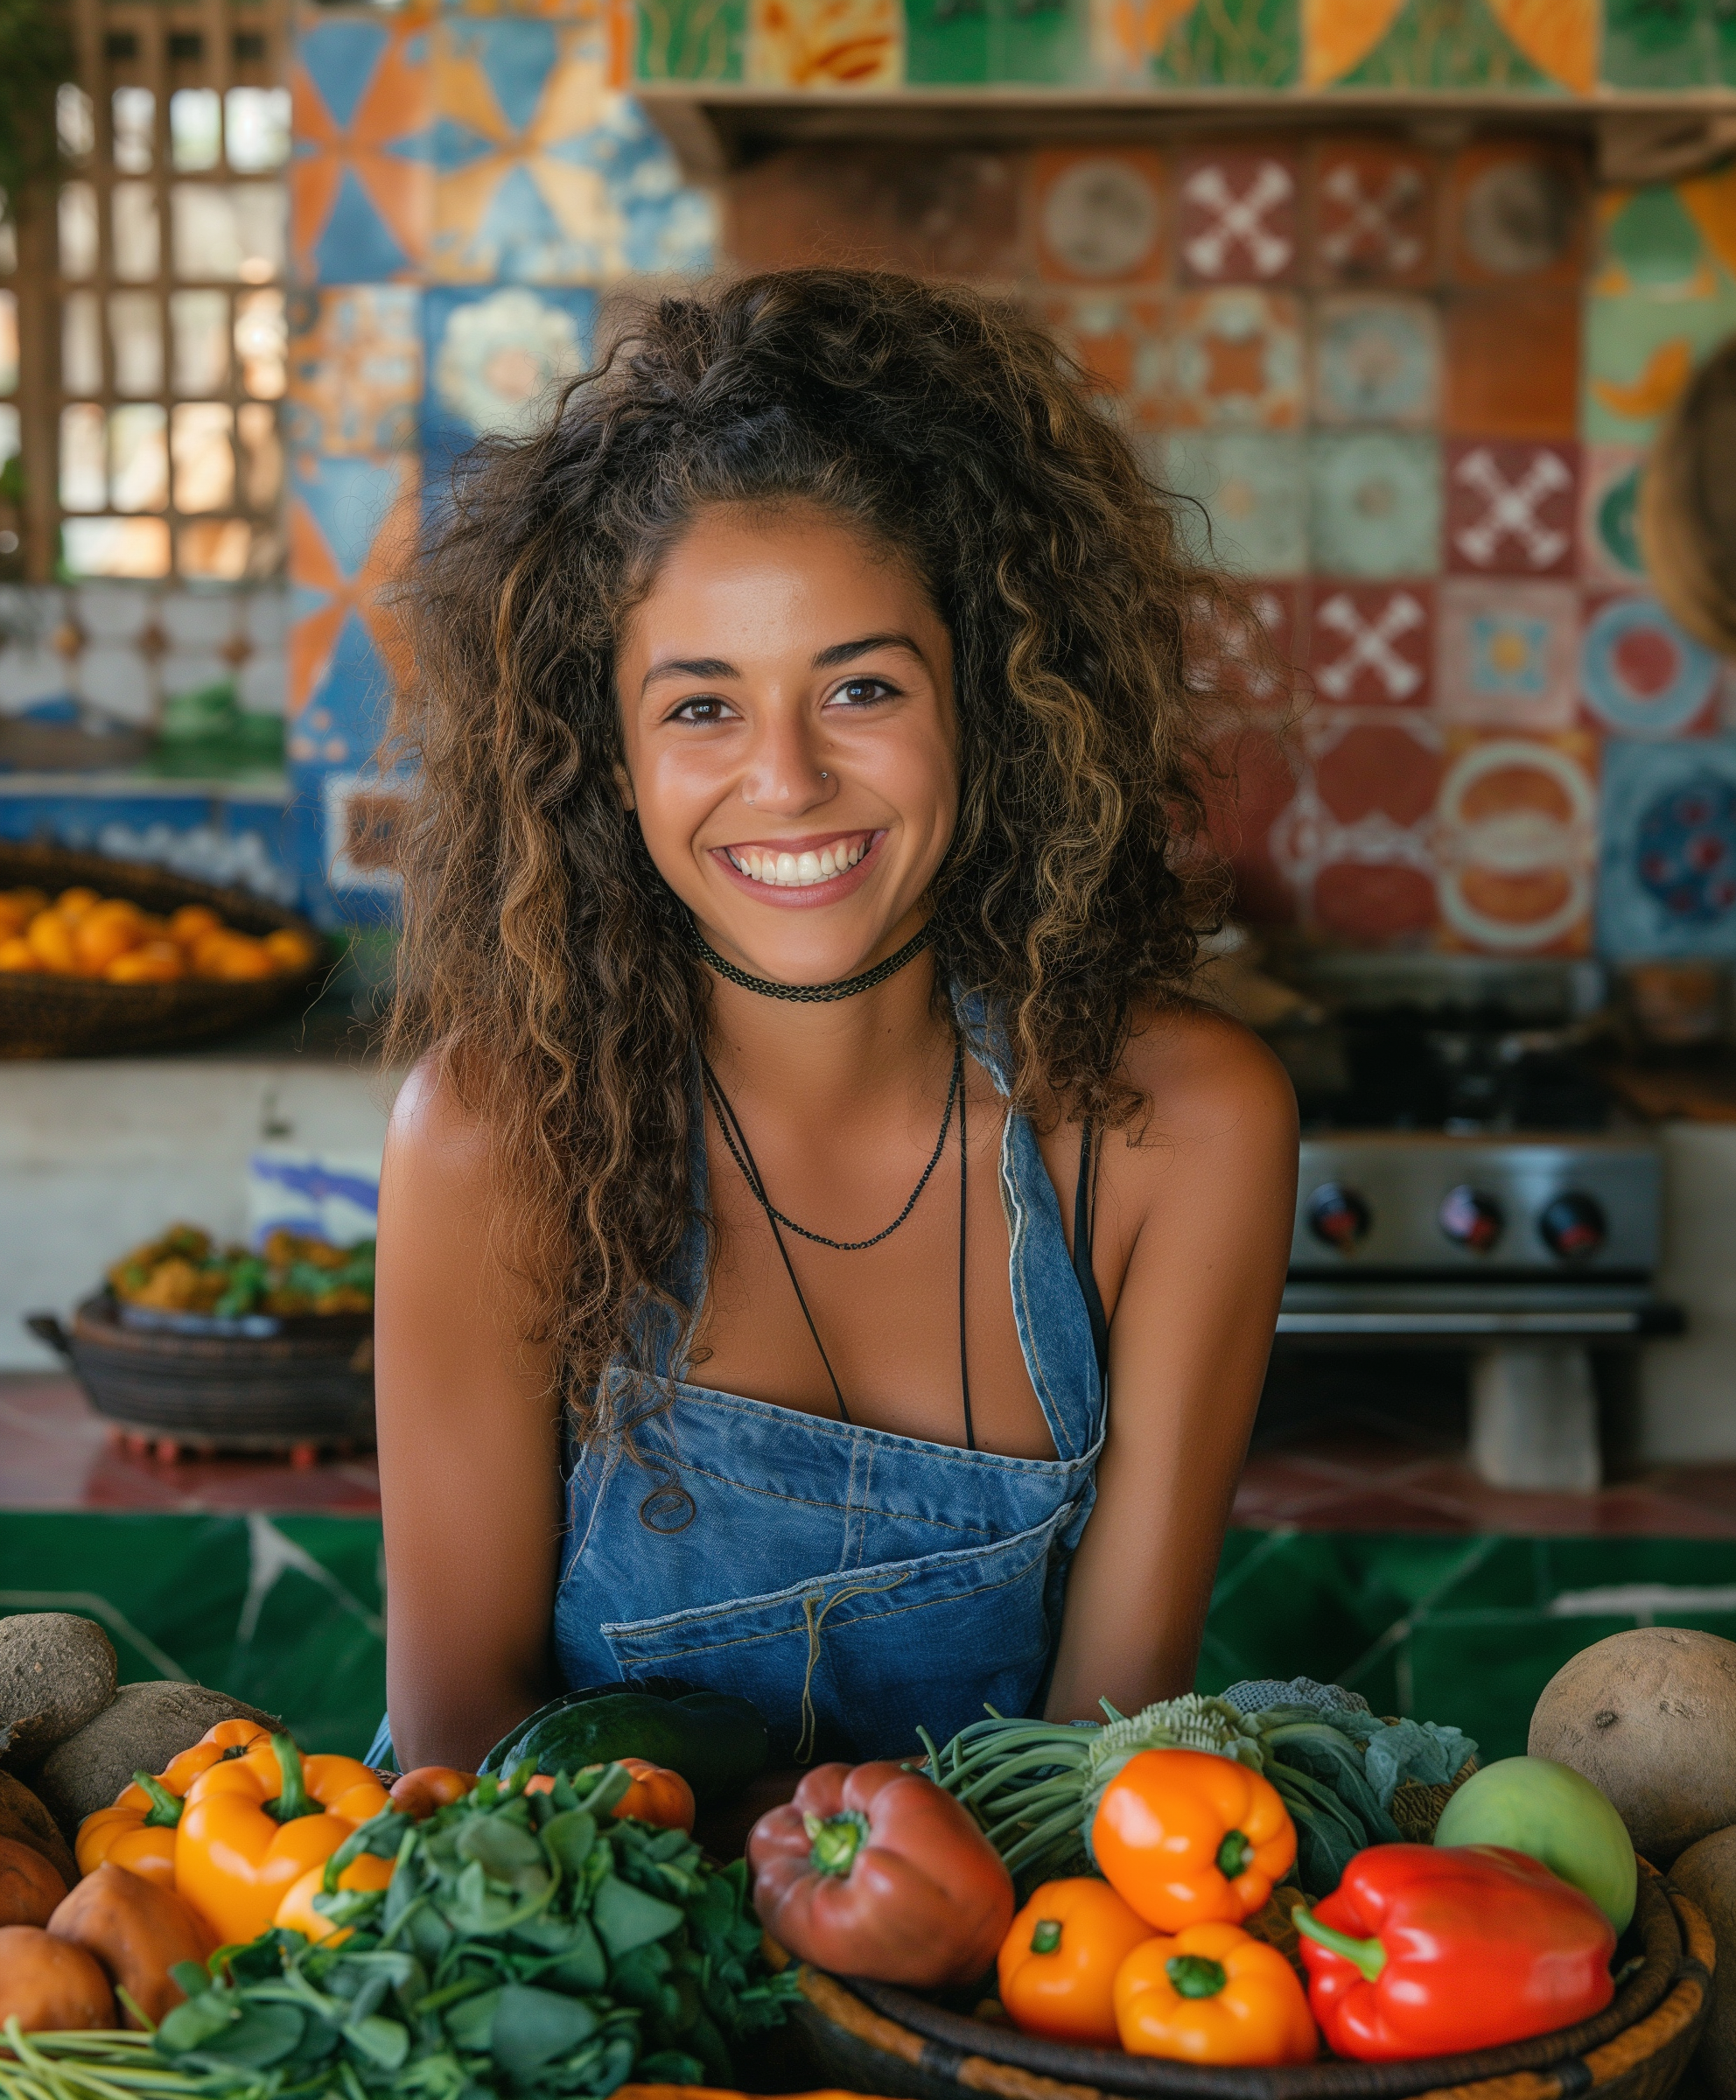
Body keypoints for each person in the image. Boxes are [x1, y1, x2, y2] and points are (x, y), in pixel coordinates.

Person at [371, 270, 1298, 1776]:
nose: (787, 780)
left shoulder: (1177, 1133)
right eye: (700, 707)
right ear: (604, 759)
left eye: (859, 687)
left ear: (987, 712)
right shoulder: (495, 1137)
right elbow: (463, 1742)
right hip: (591, 1977)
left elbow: (1103, 1770)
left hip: (995, 1990)